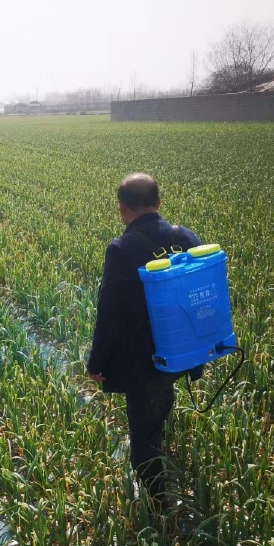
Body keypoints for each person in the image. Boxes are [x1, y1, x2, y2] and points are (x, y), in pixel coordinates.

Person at [86, 173, 201, 509]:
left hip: (146, 359)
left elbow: (109, 311)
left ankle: (158, 505)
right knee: (160, 395)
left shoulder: (122, 249)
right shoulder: (185, 237)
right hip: (184, 350)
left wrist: (97, 363)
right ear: (158, 203)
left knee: (142, 441)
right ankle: (160, 417)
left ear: (122, 209)